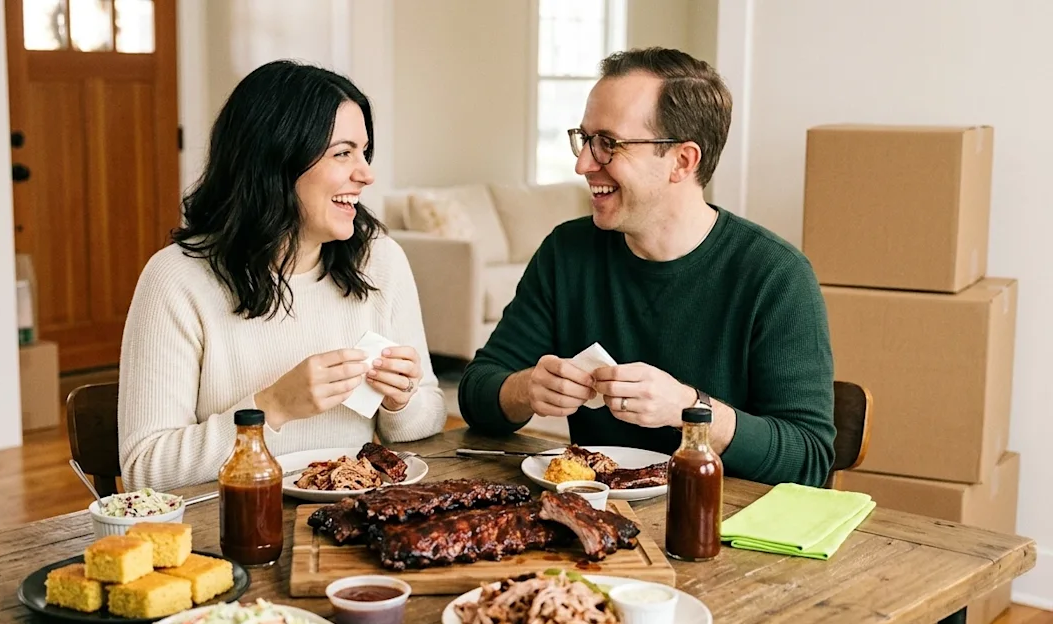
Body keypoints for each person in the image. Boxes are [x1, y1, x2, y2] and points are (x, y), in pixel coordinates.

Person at [458, 47, 835, 487]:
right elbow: (476, 392)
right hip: (594, 517)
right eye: (584, 139)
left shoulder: (775, 275)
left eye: (608, 144)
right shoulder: (568, 251)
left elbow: (809, 460)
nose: (583, 164)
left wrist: (690, 410)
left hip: (722, 530)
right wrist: (526, 389)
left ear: (682, 160)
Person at [119, 60, 446, 491]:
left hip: (355, 525)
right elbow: (146, 468)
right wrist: (272, 407)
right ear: (275, 162)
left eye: (364, 152)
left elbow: (425, 419)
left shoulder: (380, 261)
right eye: (342, 153)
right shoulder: (177, 279)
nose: (366, 173)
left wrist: (400, 400)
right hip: (234, 529)